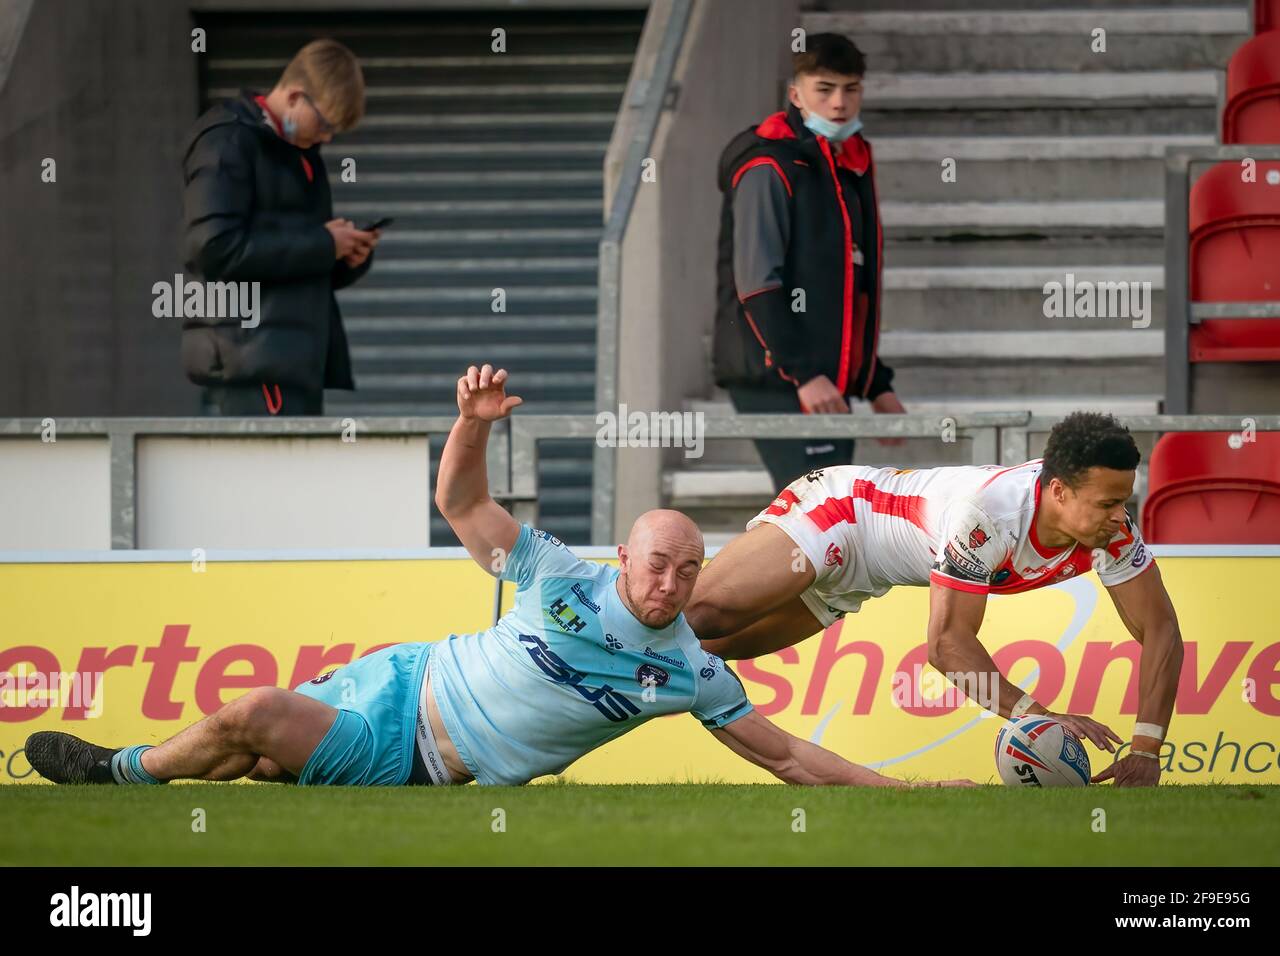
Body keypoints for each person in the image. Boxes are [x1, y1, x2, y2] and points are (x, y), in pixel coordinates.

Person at [25, 364, 974, 790]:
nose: (673, 583)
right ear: (623, 559)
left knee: (257, 724)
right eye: (658, 563)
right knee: (255, 752)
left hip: (422, 760)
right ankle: (136, 771)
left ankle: (115, 772)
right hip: (397, 679)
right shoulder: (560, 574)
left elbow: (790, 758)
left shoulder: (691, 669)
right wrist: (474, 422)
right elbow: (461, 509)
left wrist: (901, 795)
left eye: (689, 571)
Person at [686, 412, 1185, 787]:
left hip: (863, 578)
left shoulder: (1113, 532)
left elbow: (1161, 629)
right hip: (841, 512)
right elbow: (948, 646)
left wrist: (1146, 746)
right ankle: (608, 633)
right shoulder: (991, 514)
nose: (1121, 516)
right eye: (1107, 503)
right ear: (1057, 491)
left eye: (1126, 500)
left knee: (708, 650)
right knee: (701, 616)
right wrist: (1035, 714)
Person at [714, 32, 904, 492]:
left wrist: (874, 382)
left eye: (851, 89)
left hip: (826, 379)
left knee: (833, 513)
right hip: (778, 376)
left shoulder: (846, 165)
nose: (839, 102)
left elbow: (849, 287)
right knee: (812, 510)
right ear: (796, 94)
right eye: (825, 89)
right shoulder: (769, 163)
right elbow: (757, 283)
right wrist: (804, 372)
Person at [181, 38, 378, 416]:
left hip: (291, 363)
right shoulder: (227, 142)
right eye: (323, 122)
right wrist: (323, 243)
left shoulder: (301, 157)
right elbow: (213, 248)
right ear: (294, 96)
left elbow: (291, 265)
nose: (326, 137)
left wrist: (346, 256)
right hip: (250, 363)